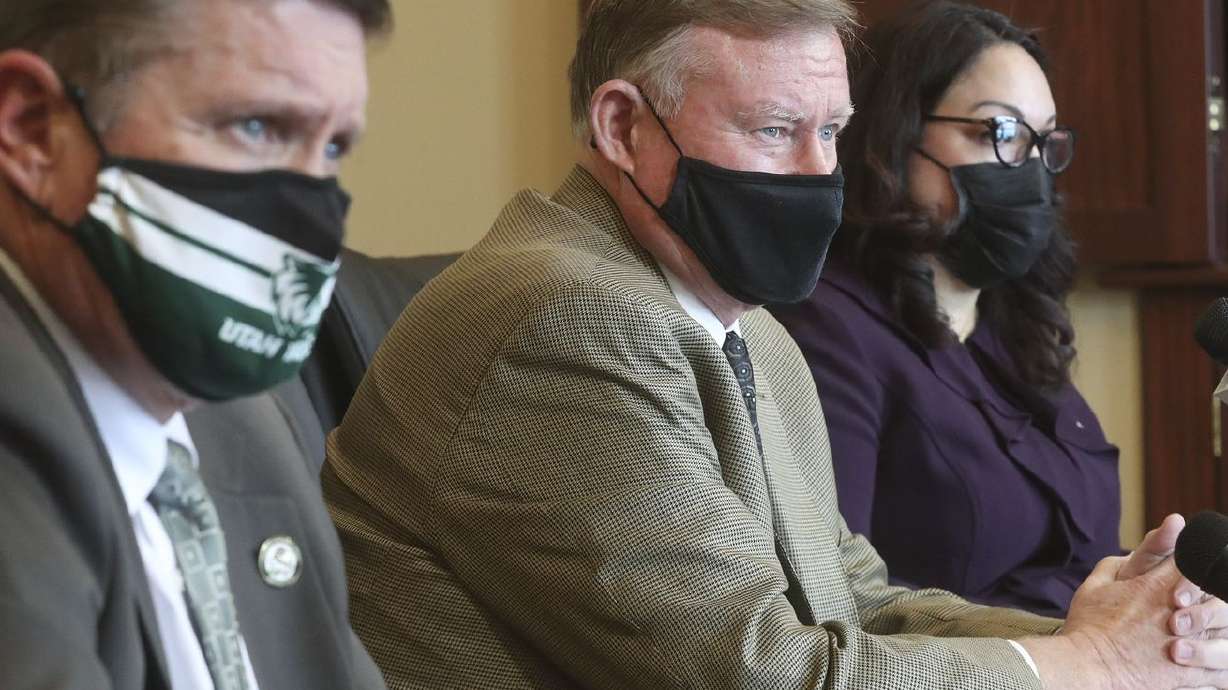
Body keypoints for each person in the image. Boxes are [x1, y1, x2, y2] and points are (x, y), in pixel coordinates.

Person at [323, 0, 1228, 687]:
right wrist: (1088, 665)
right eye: (771, 130)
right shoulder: (562, 317)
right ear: (623, 126)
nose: (817, 174)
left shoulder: (744, 322)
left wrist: (1086, 630)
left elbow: (857, 601)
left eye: (829, 131)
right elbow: (765, 671)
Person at [0, 1, 389, 688]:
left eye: (332, 149)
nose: (307, 213)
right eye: (258, 126)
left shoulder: (242, 422)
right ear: (33, 131)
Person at [768, 1, 1114, 618]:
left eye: (1043, 143)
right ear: (895, 135)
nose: (1029, 172)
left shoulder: (1020, 329)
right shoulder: (825, 329)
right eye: (999, 134)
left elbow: (1081, 562)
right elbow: (834, 603)